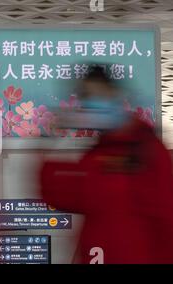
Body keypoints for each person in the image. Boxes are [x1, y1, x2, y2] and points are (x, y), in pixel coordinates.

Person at [40, 66, 173, 264]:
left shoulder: (148, 149)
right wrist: (52, 141)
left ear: (115, 96)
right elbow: (61, 195)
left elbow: (166, 217)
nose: (91, 104)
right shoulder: (97, 153)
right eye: (86, 97)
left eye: (98, 95)